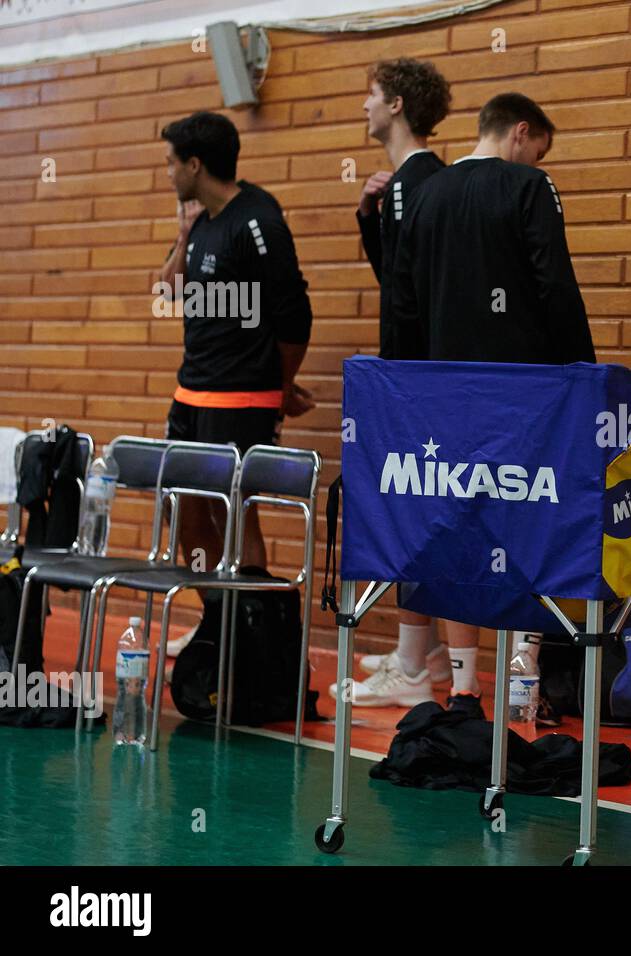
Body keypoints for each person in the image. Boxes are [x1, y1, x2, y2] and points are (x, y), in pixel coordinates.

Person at [372, 91, 595, 715]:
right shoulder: (528, 186)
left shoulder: (425, 196)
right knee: (528, 527)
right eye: (539, 149)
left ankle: (466, 686)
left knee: (457, 531)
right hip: (523, 397)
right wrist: (581, 372)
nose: (538, 161)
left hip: (441, 399)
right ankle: (522, 676)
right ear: (520, 132)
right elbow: (556, 284)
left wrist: (402, 387)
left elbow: (402, 302)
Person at [151, 111, 314, 655]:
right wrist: (180, 234)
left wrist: (280, 386)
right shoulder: (200, 221)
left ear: (195, 164)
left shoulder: (258, 220)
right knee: (186, 507)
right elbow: (165, 293)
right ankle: (218, 621)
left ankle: (253, 630)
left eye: (171, 163)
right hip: (191, 392)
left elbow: (295, 317)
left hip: (243, 394)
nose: (167, 173)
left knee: (236, 506)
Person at [341, 57, 463, 706]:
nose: (363, 106)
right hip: (410, 381)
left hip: (421, 387)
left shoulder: (425, 181)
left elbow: (420, 298)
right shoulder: (401, 185)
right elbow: (397, 283)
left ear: (395, 105)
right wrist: (370, 215)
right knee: (415, 519)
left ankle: (419, 665)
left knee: (420, 522)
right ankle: (424, 653)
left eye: (370, 96)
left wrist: (414, 386)